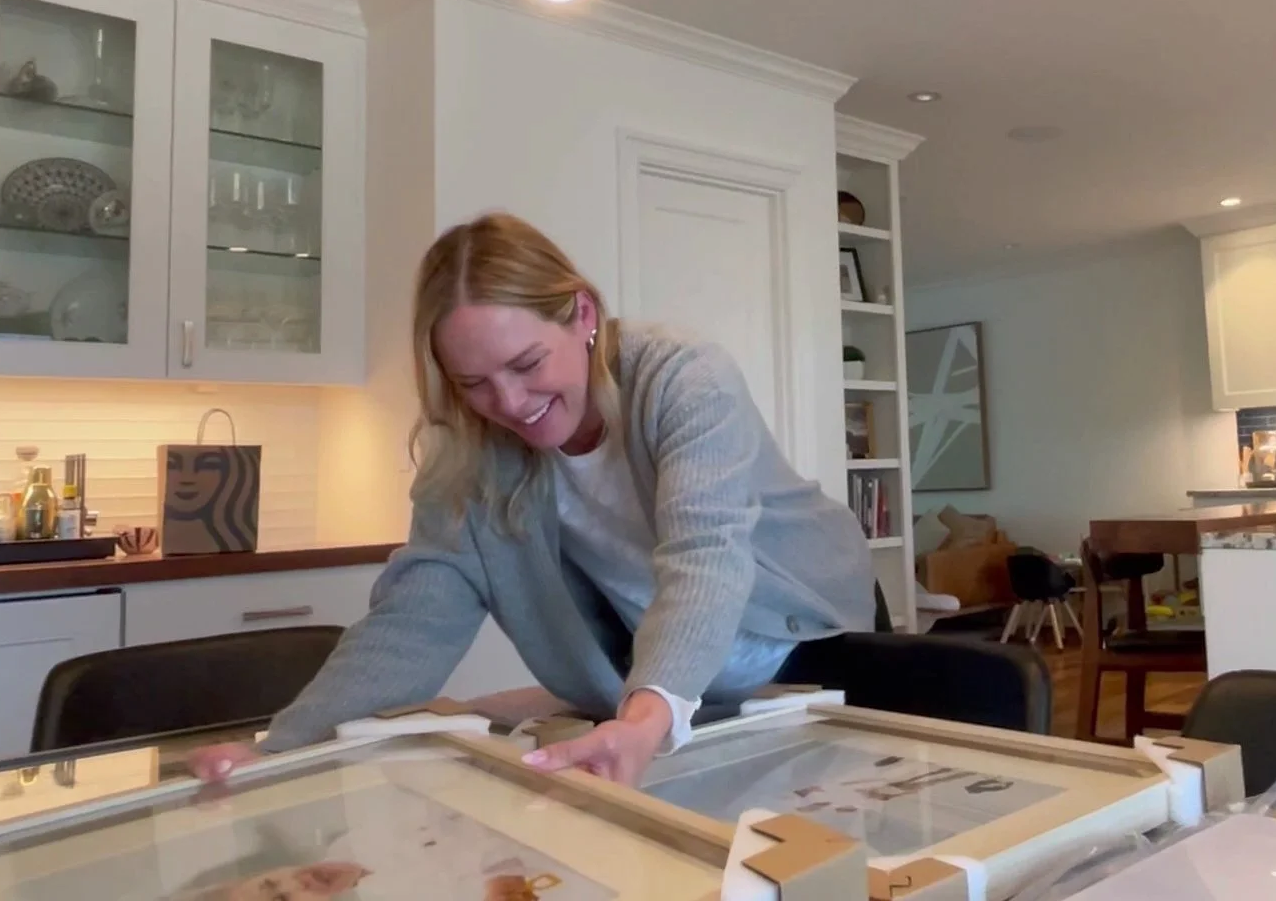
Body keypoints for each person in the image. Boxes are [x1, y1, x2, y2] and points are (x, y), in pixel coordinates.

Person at [191, 211, 876, 787]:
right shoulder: (466, 449)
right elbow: (413, 619)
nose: (510, 404)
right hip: (656, 687)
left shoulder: (684, 378)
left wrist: (642, 719)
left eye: (526, 365)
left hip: (800, 635)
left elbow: (706, 557)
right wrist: (276, 754)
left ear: (582, 313)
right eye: (474, 383)